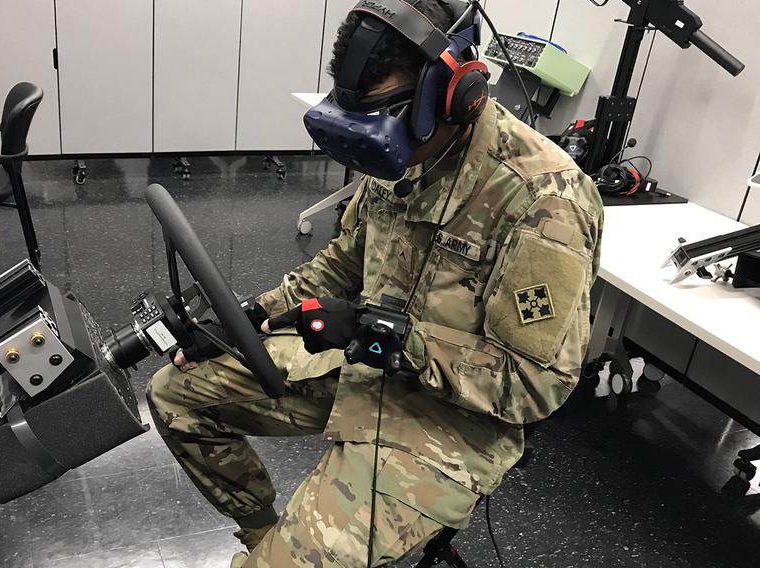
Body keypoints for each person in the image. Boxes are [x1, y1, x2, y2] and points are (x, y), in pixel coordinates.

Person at [147, 1, 603, 565]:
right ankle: (264, 537)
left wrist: (391, 337)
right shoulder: (406, 151)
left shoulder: (542, 200)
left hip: (451, 421)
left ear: (456, 92)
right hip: (365, 362)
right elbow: (342, 263)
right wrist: (247, 317)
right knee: (175, 395)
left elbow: (536, 384)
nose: (376, 142)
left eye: (387, 115)